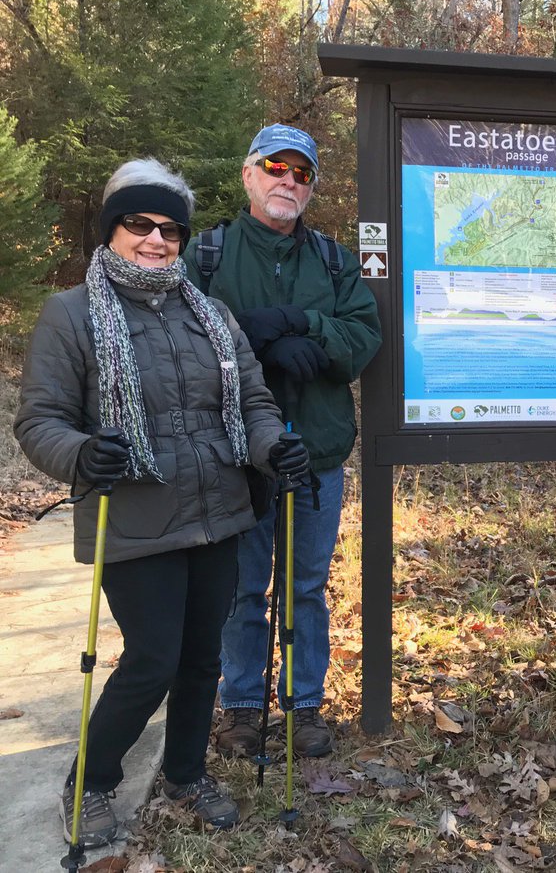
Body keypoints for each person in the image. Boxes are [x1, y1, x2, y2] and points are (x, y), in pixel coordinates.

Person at [14, 158, 305, 845]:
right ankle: (90, 782)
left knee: (203, 657)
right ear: (112, 228)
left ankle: (185, 772)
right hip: (136, 518)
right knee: (153, 660)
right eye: (139, 225)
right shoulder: (72, 313)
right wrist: (81, 453)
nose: (156, 240)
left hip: (219, 513)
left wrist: (271, 448)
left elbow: (253, 403)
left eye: (170, 229)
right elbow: (40, 421)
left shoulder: (208, 312)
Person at [183, 124, 382, 758]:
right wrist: (251, 332)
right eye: (276, 168)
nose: (287, 182)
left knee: (305, 586)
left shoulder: (333, 260)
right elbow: (178, 341)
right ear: (249, 174)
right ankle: (241, 706)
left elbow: (363, 340)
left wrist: (306, 325)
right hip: (234, 458)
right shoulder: (206, 254)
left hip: (316, 453)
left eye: (301, 174)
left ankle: (303, 706)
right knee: (241, 588)